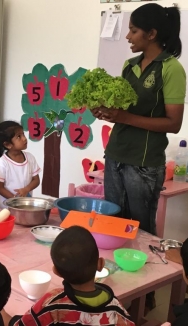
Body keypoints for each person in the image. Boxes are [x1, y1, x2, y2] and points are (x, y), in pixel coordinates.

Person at [92, 4, 186, 313]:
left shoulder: (171, 69)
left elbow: (173, 123)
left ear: (152, 33)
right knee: (113, 225)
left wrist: (124, 116)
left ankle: (142, 303)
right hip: (116, 154)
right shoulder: (130, 65)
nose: (129, 37)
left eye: (133, 31)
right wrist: (107, 113)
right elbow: (123, 113)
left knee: (140, 231)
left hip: (144, 162)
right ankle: (117, 296)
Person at [2, 226, 135, 326]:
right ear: (100, 264)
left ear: (56, 271)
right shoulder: (115, 306)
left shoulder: (52, 304)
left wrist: (1, 313)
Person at [0, 121, 40, 208]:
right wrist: (14, 200)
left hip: (23, 205)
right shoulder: (2, 163)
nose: (24, 139)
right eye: (19, 136)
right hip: (3, 207)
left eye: (23, 134)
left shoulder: (30, 158)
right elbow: (0, 188)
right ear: (8, 144)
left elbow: (36, 180)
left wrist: (26, 189)